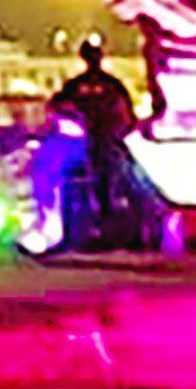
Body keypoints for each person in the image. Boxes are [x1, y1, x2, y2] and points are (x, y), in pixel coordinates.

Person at [53, 38, 147, 252]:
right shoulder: (85, 84)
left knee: (124, 182)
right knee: (71, 182)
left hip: (107, 141)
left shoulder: (105, 84)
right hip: (85, 141)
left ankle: (130, 229)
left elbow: (127, 111)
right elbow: (57, 105)